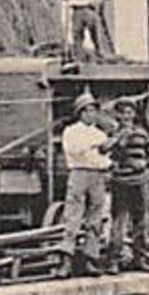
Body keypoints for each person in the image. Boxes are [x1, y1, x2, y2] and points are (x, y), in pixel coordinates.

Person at [60, 92, 113, 275]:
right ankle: (66, 261)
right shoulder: (71, 131)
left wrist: (104, 150)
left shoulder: (100, 133)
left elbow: (105, 159)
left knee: (95, 218)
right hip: (79, 173)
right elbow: (74, 150)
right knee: (73, 216)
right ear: (80, 113)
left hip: (97, 175)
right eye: (87, 111)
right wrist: (96, 147)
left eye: (93, 111)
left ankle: (91, 259)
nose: (91, 114)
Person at [105, 99, 149, 272]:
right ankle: (113, 260)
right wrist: (122, 139)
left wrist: (145, 163)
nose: (127, 117)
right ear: (118, 115)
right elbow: (110, 155)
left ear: (134, 114)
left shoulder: (142, 133)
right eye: (123, 113)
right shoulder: (113, 132)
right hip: (121, 182)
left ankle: (139, 258)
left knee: (140, 221)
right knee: (118, 221)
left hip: (140, 182)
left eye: (130, 113)